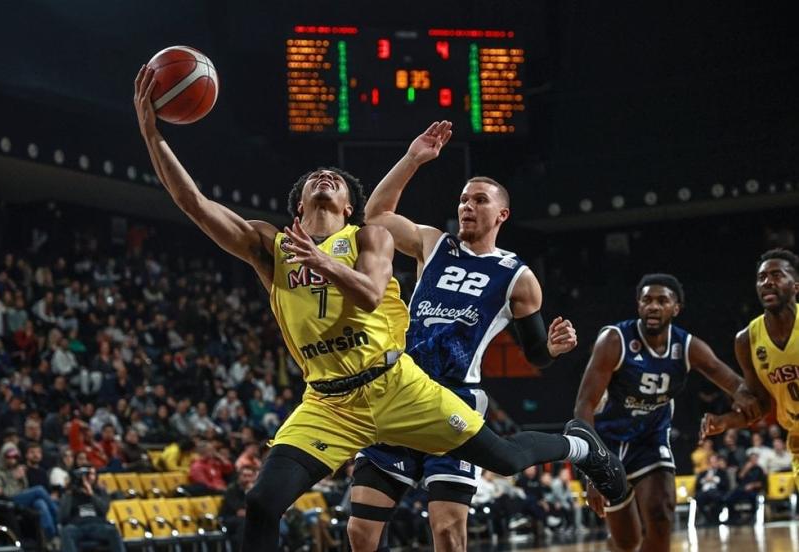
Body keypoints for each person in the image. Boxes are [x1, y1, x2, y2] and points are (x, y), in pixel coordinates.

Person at [134, 71, 628, 552]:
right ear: (299, 206)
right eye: (314, 178)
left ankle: (582, 446)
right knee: (264, 503)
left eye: (334, 179)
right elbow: (192, 201)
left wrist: (324, 262)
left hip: (397, 385)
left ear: (349, 207)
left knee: (505, 458)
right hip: (328, 402)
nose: (324, 177)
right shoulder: (272, 245)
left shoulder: (369, 237)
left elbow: (371, 294)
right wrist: (153, 135)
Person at [348, 121, 582, 551]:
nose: (467, 206)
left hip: (455, 399)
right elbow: (376, 217)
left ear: (502, 214)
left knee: (448, 532)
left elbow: (536, 355)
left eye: (479, 200)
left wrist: (551, 347)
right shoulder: (433, 244)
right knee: (360, 531)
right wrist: (412, 159)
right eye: (463, 199)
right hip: (399, 390)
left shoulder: (518, 277)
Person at [573, 273, 758, 552]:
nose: (653, 306)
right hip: (608, 444)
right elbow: (584, 405)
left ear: (676, 308)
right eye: (647, 300)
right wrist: (593, 471)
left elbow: (731, 381)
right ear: (638, 305)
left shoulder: (686, 346)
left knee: (661, 514)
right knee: (627, 542)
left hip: (650, 438)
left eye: (662, 301)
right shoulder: (614, 340)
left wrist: (746, 396)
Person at [702, 249, 799, 489]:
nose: (767, 282)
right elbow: (760, 406)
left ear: (795, 286)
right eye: (762, 277)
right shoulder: (747, 340)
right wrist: (724, 422)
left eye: (777, 275)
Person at [59, 465, 125, 552]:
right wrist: (69, 494)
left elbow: (104, 510)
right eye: (86, 475)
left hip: (97, 525)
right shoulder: (71, 493)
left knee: (113, 531)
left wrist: (92, 494)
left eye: (92, 474)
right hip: (77, 526)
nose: (89, 477)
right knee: (66, 531)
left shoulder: (100, 491)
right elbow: (62, 517)